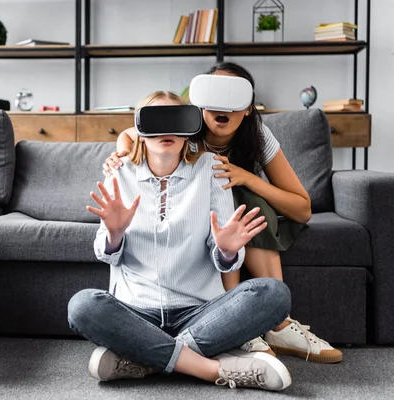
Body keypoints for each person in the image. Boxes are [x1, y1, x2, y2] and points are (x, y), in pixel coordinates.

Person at [102, 62, 342, 364]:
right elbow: (132, 133)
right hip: (193, 223)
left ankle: (280, 325)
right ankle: (232, 322)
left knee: (246, 199)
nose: (222, 106)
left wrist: (247, 177)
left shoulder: (257, 135)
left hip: (247, 222)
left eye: (233, 96)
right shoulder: (182, 127)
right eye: (214, 95)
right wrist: (122, 154)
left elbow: (303, 209)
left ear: (247, 108)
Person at [68, 91, 293, 391]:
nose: (167, 132)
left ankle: (145, 358)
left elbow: (226, 258)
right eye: (156, 122)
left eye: (176, 122)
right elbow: (106, 254)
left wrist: (226, 251)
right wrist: (114, 234)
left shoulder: (212, 169)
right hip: (136, 310)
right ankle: (209, 368)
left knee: (275, 294)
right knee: (82, 306)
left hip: (200, 310)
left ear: (189, 131)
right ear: (140, 132)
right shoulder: (119, 173)